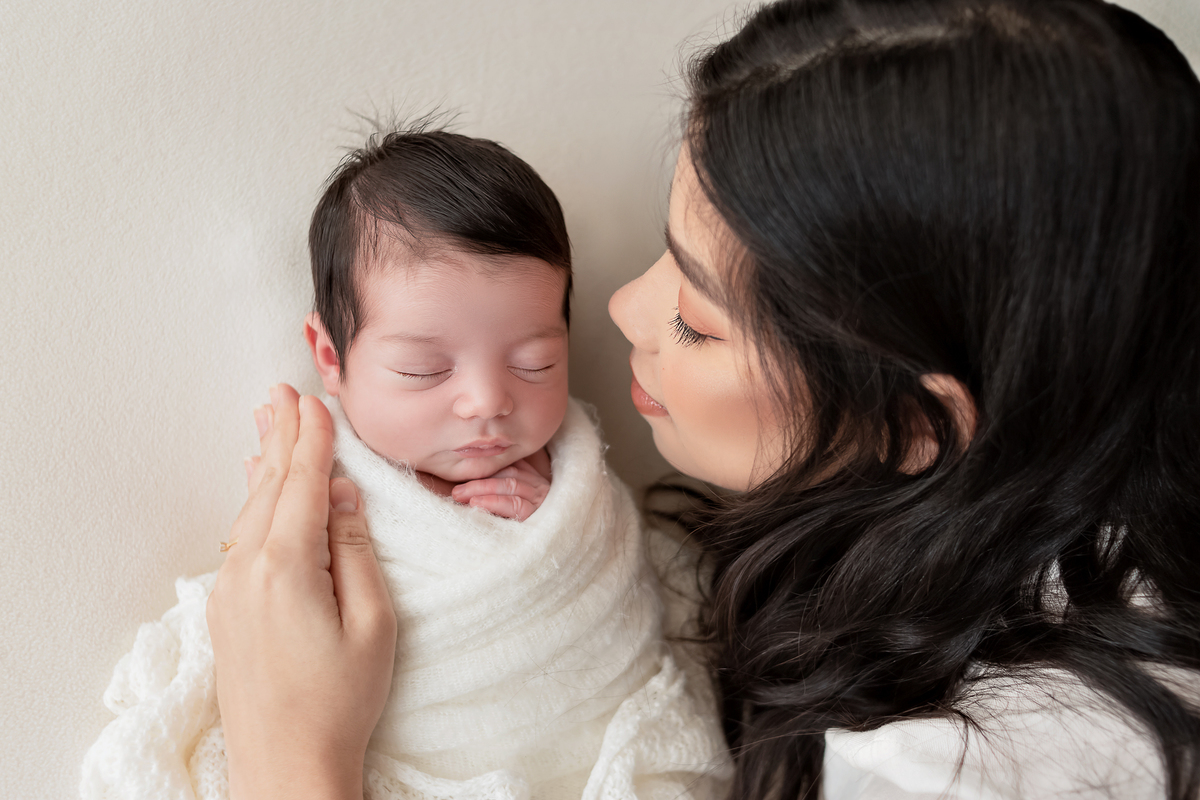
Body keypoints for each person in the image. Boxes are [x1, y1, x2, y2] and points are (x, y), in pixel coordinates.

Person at [205, 0, 1200, 798]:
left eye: (698, 316)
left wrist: (294, 761)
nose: (622, 308)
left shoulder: (972, 770)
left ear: (914, 422)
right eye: (661, 253)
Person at [81, 130, 729, 800]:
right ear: (329, 358)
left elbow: (617, 583)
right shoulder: (330, 488)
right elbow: (257, 602)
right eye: (424, 370)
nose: (487, 401)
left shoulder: (573, 481)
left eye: (535, 362)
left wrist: (553, 528)